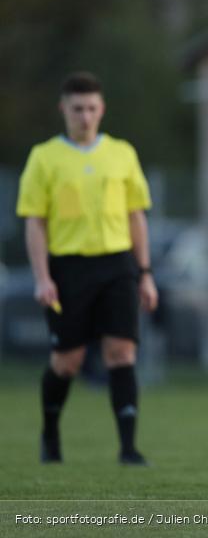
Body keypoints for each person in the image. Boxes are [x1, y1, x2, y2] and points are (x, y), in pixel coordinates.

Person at [16, 72, 158, 466]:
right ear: (64, 109)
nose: (85, 116)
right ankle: (50, 435)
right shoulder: (44, 157)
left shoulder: (121, 153)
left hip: (117, 265)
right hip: (68, 268)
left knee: (121, 352)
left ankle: (128, 448)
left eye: (92, 108)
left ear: (102, 110)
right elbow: (35, 222)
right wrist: (43, 277)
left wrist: (144, 272)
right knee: (67, 361)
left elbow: (136, 216)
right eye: (77, 108)